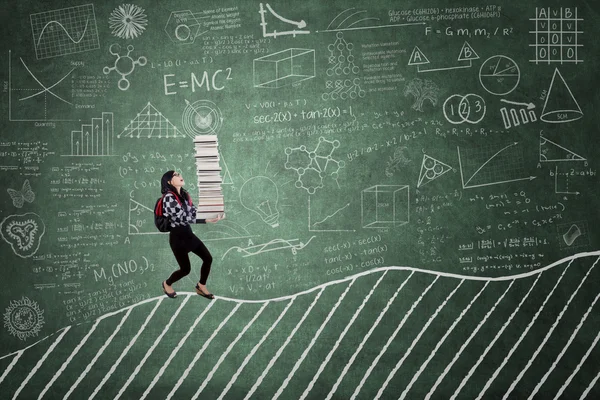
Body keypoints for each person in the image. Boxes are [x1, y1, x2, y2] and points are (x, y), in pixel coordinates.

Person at [159, 170, 224, 300]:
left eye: (179, 174)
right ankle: (167, 283)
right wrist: (205, 220)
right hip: (177, 239)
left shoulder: (185, 195)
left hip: (188, 235)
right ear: (169, 181)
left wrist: (209, 217)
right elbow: (183, 218)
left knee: (208, 258)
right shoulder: (168, 198)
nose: (180, 176)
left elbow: (193, 212)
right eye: (176, 175)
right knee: (185, 270)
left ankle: (201, 286)